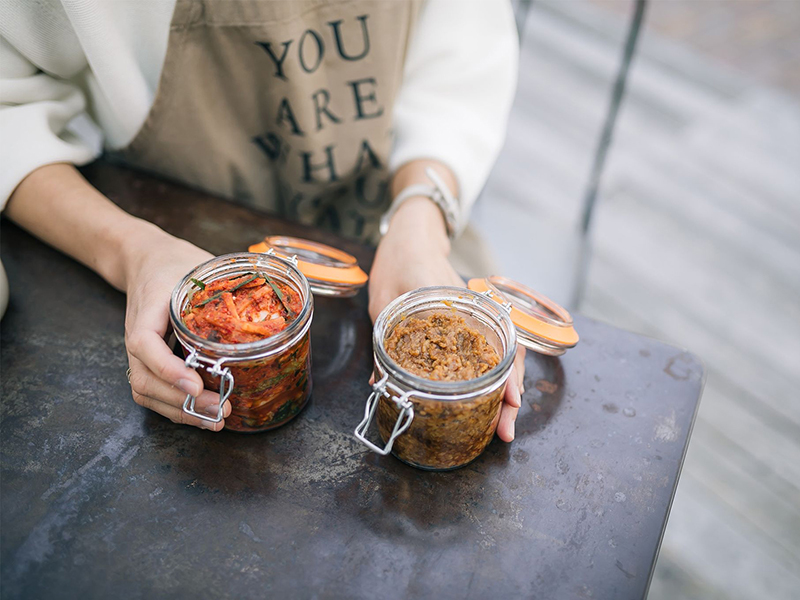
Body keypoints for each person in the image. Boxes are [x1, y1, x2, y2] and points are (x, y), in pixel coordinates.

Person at [0, 0, 524, 439]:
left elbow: (457, 71)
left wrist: (420, 227)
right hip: (169, 241)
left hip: (392, 218)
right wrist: (132, 252)